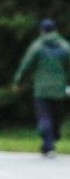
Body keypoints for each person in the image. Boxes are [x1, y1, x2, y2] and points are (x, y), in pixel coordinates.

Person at [13, 18, 70, 158]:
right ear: (55, 29)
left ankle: (48, 145)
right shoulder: (65, 47)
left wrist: (17, 81)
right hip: (60, 89)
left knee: (44, 116)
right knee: (56, 116)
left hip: (41, 89)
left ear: (41, 30)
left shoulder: (37, 46)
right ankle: (51, 140)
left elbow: (26, 65)